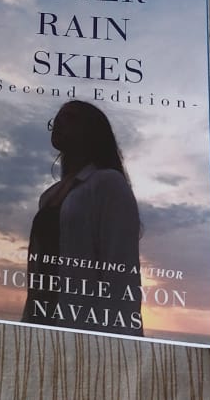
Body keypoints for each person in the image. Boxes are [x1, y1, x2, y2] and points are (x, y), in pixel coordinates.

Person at [22, 101, 143, 336]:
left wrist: (114, 339)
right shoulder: (48, 196)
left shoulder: (108, 183)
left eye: (69, 118)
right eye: (56, 120)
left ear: (91, 130)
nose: (59, 123)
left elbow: (121, 272)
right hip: (41, 320)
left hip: (83, 326)